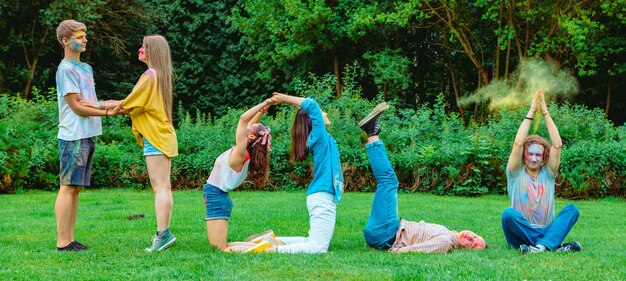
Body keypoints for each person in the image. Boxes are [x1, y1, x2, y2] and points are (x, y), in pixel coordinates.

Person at [81, 35, 178, 252]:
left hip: (155, 136)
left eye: (144, 46)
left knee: (160, 187)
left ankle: (163, 235)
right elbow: (132, 104)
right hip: (162, 135)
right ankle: (165, 234)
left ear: (153, 51)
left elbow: (128, 105)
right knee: (164, 187)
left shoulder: (150, 75)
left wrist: (98, 105)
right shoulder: (159, 76)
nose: (140, 48)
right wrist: (108, 106)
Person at [358, 102, 486, 253]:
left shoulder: (446, 242)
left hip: (387, 234)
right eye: (476, 237)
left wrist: (398, 251)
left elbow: (421, 248)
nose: (471, 239)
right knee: (387, 181)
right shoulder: (447, 233)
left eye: (472, 245)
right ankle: (372, 132)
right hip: (386, 231)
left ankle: (372, 131)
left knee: (389, 180)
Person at [54, 19, 123, 252]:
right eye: (79, 36)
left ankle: (70, 239)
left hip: (87, 134)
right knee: (67, 186)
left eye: (85, 35)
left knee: (75, 188)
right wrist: (108, 112)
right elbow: (76, 106)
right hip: (72, 135)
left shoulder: (86, 68)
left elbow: (90, 101)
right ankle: (63, 242)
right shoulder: (65, 70)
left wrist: (122, 103)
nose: (85, 40)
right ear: (65, 41)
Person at [248, 93, 343, 254]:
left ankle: (271, 241)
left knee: (312, 241)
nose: (323, 112)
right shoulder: (318, 136)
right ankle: (270, 250)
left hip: (321, 195)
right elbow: (312, 105)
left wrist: (299, 108)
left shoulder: (320, 137)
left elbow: (309, 109)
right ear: (313, 120)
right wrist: (284, 99)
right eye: (320, 111)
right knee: (318, 248)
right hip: (322, 196)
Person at [501, 89, 581, 254]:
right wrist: (531, 111)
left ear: (544, 157)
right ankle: (551, 245)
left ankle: (539, 247)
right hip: (520, 233)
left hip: (547, 229)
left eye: (538, 154)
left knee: (572, 210)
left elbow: (557, 145)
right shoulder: (515, 172)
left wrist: (545, 112)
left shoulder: (548, 172)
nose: (534, 158)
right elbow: (517, 143)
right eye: (530, 153)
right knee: (508, 215)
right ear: (524, 155)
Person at [202, 98, 274, 253]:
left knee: (220, 248)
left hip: (217, 197)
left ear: (252, 137)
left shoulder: (241, 153)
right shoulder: (245, 151)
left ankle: (267, 249)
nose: (248, 127)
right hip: (217, 196)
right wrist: (262, 111)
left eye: (251, 128)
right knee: (222, 245)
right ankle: (264, 245)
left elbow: (243, 120)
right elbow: (249, 125)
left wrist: (262, 103)